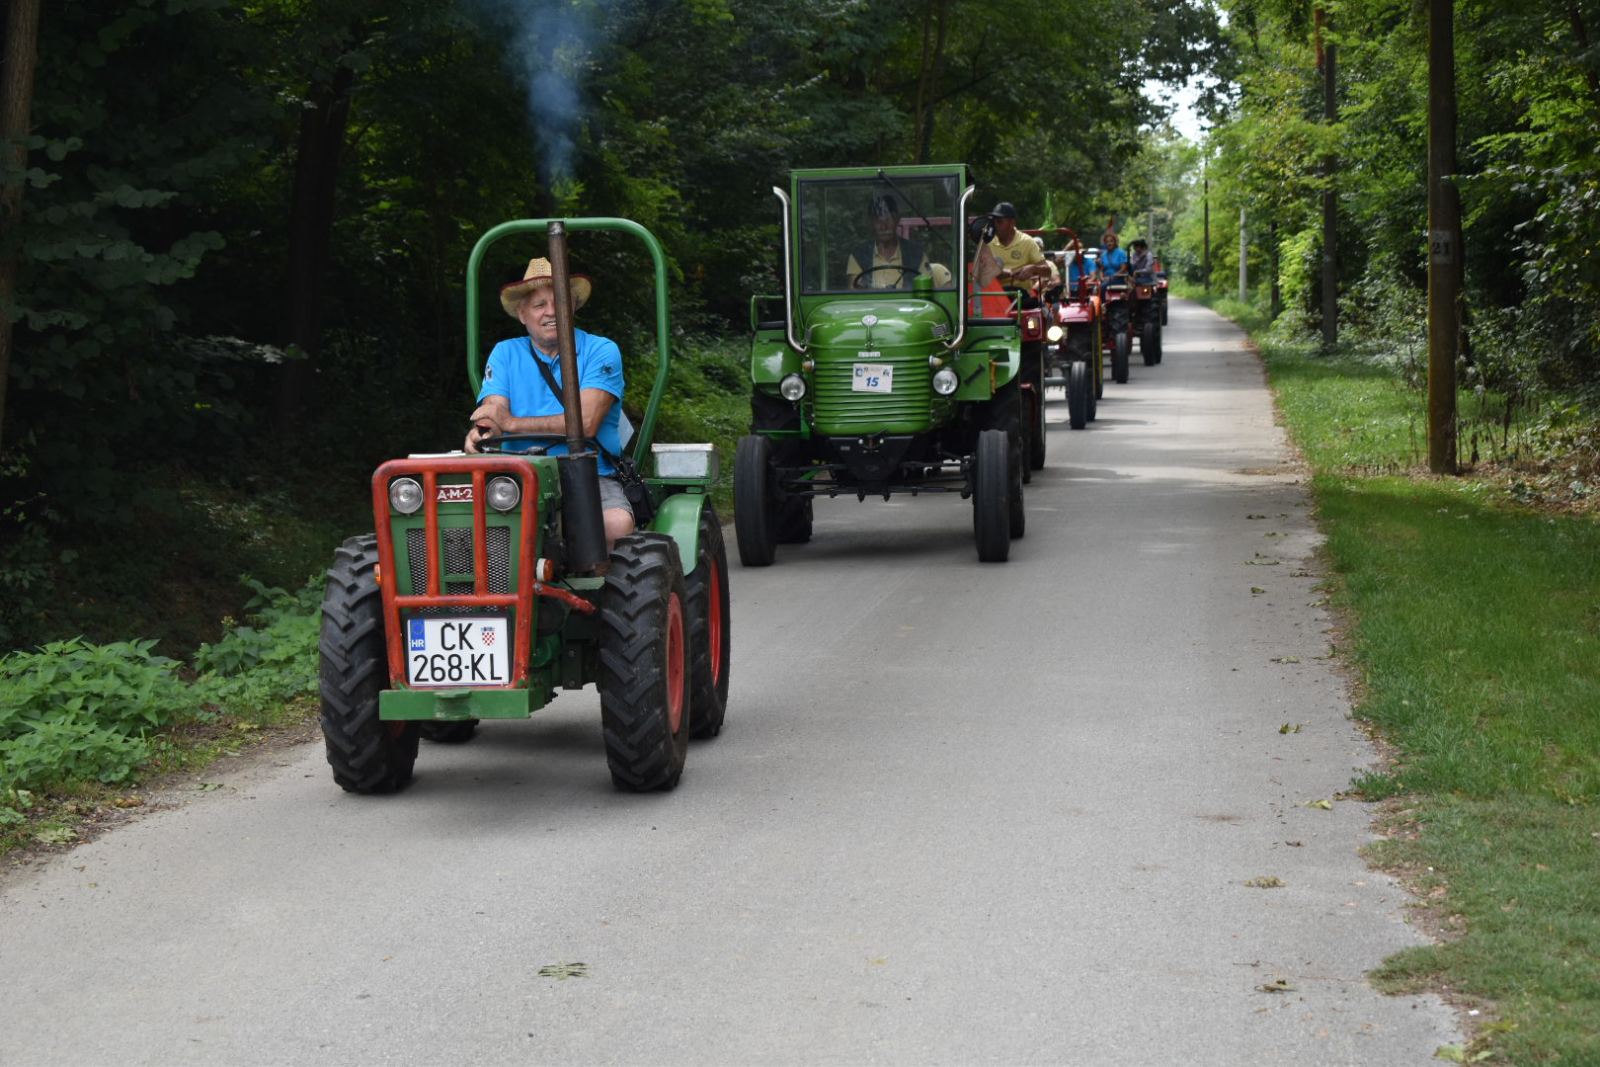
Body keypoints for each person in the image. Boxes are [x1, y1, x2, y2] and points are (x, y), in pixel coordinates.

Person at [465, 257, 635, 545]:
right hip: (517, 478)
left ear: (573, 307)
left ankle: (600, 586)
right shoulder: (505, 353)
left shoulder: (601, 351)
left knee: (614, 524)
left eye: (559, 302)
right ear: (522, 314)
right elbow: (493, 413)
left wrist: (510, 424)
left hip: (588, 475)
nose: (551, 312)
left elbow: (585, 423)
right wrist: (480, 433)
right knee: (456, 525)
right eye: (539, 305)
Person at [845, 195, 930, 289]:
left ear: (897, 220)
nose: (883, 227)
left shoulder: (917, 254)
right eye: (878, 221)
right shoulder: (858, 256)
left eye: (888, 220)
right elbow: (855, 296)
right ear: (870, 223)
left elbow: (926, 291)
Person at [987, 202, 1053, 288]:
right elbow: (981, 273)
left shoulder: (1027, 241)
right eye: (994, 221)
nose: (995, 225)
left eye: (999, 221)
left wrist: (1033, 268)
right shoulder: (987, 242)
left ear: (1012, 223)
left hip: (1020, 296)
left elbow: (1048, 271)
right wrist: (1011, 272)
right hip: (992, 296)